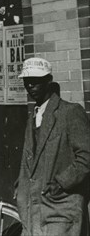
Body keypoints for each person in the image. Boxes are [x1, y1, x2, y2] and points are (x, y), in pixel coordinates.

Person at [16, 58, 90, 236]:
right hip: (33, 210)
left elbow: (86, 157)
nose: (31, 85)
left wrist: (61, 183)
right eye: (27, 81)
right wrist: (20, 185)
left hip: (61, 208)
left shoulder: (70, 112)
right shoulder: (33, 117)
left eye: (36, 81)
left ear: (48, 81)